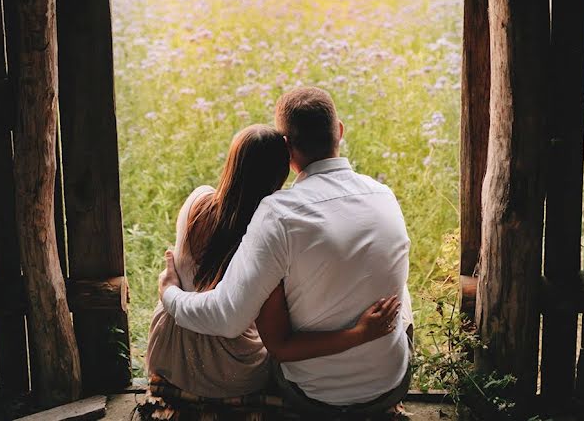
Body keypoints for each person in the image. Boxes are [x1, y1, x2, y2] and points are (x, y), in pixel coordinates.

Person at [160, 89, 413, 415]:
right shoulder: (384, 196)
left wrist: (169, 293)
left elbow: (227, 317)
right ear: (339, 130)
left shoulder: (278, 215)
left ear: (286, 149)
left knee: (281, 281)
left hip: (313, 394)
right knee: (399, 288)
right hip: (389, 384)